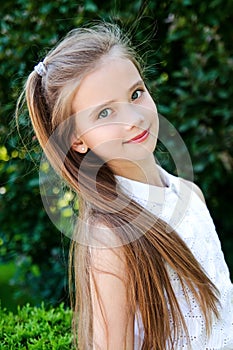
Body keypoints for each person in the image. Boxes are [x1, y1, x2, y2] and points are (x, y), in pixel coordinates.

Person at [19, 22, 233, 349]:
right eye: (104, 112)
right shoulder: (110, 239)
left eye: (136, 93)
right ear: (76, 139)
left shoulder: (190, 195)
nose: (133, 117)